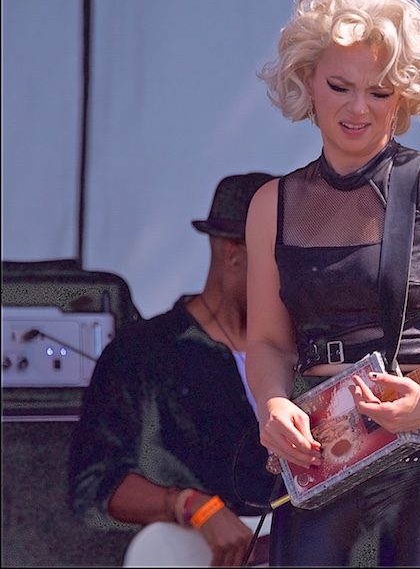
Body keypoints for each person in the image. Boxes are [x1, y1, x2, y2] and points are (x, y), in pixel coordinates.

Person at [245, 0, 420, 567]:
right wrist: (272, 406)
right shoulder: (271, 205)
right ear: (307, 82)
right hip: (323, 453)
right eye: (339, 87)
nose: (357, 108)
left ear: (403, 97)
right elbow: (266, 340)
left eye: (379, 91)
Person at [68, 173, 277, 568]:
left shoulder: (305, 354)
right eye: (281, 260)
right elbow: (94, 486)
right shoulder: (143, 353)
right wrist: (192, 505)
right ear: (235, 255)